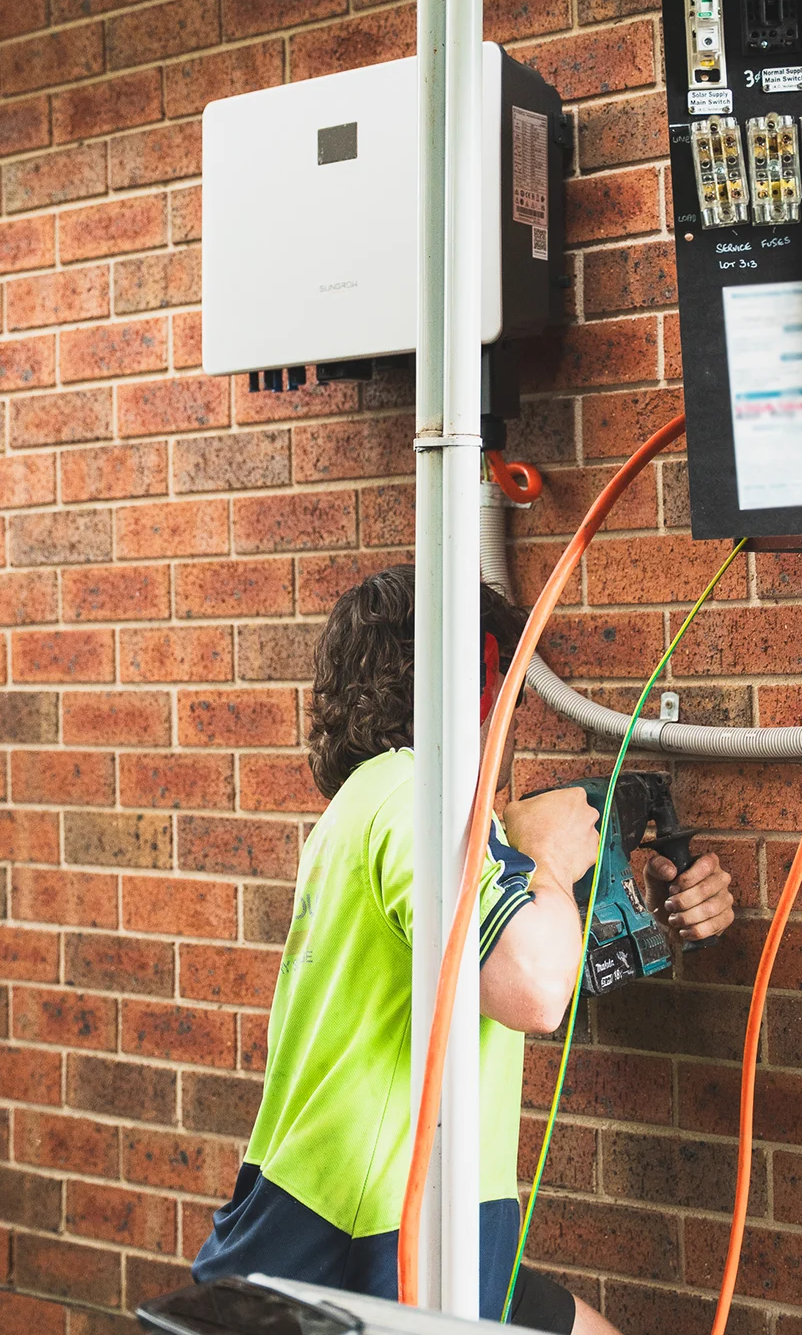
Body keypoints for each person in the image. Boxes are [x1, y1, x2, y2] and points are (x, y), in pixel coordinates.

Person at [193, 564, 736, 1332]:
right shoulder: (416, 795)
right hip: (364, 1243)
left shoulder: (383, 802)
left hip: (428, 1224)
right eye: (504, 692)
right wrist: (541, 860)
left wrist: (645, 912)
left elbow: (485, 973)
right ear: (470, 689)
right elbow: (536, 991)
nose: (509, 722)